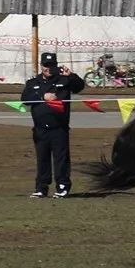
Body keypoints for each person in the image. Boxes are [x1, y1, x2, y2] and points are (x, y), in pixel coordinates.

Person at [21, 52, 85, 198]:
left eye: (51, 65)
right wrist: (42, 97)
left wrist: (71, 75)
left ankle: (62, 186)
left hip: (59, 128)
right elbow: (25, 98)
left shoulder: (63, 80)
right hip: (40, 129)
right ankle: (41, 188)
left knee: (61, 159)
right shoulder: (33, 82)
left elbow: (79, 87)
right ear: (41, 65)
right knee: (42, 159)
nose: (48, 68)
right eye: (46, 65)